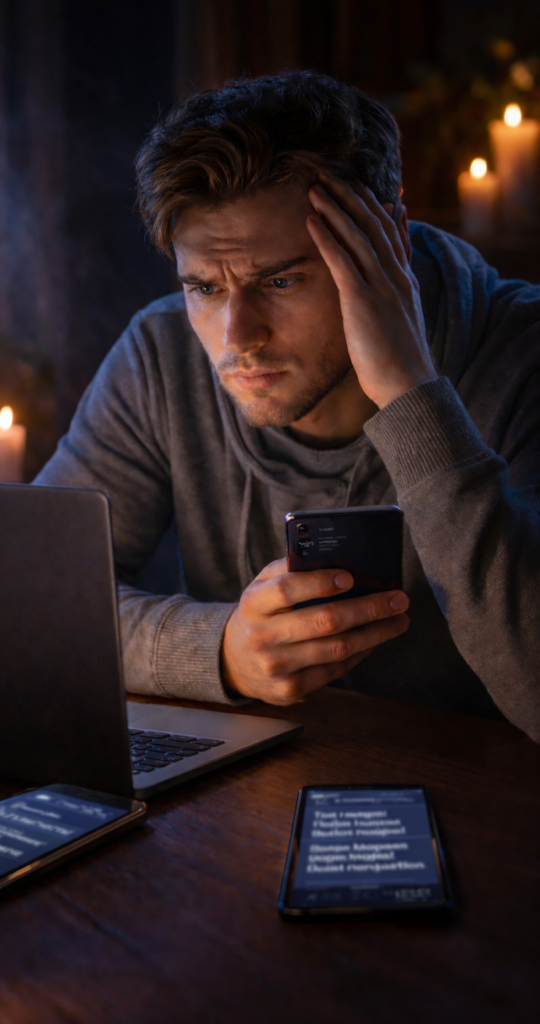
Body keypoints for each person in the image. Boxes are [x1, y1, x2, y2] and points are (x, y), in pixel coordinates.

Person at [35, 71, 540, 742]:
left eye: (279, 280)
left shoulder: (523, 356)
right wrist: (221, 651)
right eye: (204, 288)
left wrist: (408, 392)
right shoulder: (162, 355)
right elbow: (35, 605)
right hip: (248, 803)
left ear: (384, 238)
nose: (236, 338)